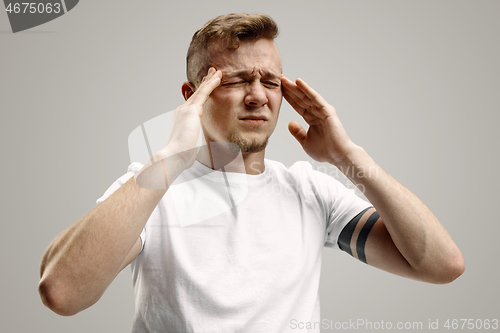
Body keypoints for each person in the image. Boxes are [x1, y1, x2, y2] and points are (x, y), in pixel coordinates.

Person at [38, 13, 464, 332]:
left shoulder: (310, 191)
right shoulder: (153, 188)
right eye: (237, 80)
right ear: (194, 96)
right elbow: (61, 292)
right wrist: (169, 158)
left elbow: (442, 265)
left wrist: (347, 155)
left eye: (272, 81)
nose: (258, 96)